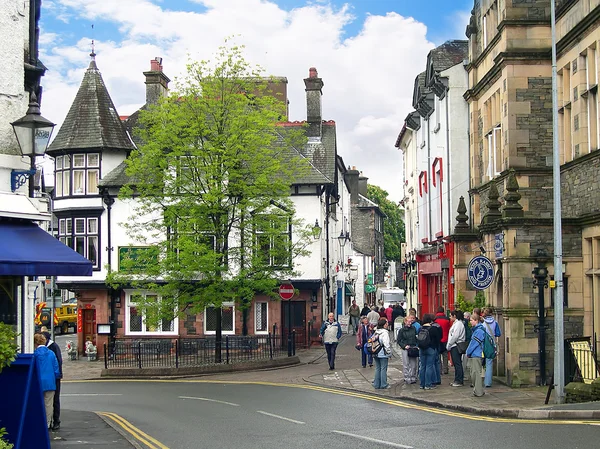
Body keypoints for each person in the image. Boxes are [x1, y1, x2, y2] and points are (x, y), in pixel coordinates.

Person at [33, 333, 60, 430]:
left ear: (35, 343)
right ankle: (47, 424)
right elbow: (56, 369)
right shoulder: (51, 353)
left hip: (38, 382)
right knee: (49, 404)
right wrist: (55, 377)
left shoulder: (34, 355)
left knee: (38, 403)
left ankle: (38, 422)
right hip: (50, 382)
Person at [41, 329, 63, 430]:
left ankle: (56, 420)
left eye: (43, 338)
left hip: (54, 378)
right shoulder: (42, 348)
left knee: (55, 400)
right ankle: (48, 422)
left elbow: (58, 362)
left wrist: (57, 375)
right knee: (49, 401)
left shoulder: (53, 346)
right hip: (49, 378)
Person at [466, 313, 486, 397]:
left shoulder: (479, 331)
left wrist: (468, 352)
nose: (470, 322)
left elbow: (474, 343)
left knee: (476, 374)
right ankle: (477, 390)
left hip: (476, 354)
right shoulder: (477, 330)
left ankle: (478, 392)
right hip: (475, 354)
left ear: (476, 321)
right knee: (474, 373)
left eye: (471, 320)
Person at [482, 307, 501, 387]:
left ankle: (476, 382)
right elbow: (498, 334)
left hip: (483, 344)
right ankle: (488, 382)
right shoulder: (495, 323)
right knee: (489, 362)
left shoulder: (482, 324)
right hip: (491, 344)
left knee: (479, 362)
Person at [446, 310, 466, 387]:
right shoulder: (457, 323)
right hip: (454, 345)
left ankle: (459, 380)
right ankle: (457, 379)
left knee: (457, 363)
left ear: (455, 316)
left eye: (451, 316)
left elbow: (455, 336)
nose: (450, 317)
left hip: (456, 346)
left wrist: (449, 344)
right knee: (457, 363)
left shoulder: (458, 324)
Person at [397, 315, 418, 384]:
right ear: (405, 322)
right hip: (405, 348)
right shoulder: (401, 330)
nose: (410, 323)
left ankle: (413, 377)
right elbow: (399, 340)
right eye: (408, 322)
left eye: (411, 322)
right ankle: (407, 378)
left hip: (413, 347)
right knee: (406, 364)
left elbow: (416, 337)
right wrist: (404, 346)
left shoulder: (413, 328)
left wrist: (417, 345)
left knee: (414, 364)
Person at [372, 318, 392, 389]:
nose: (387, 324)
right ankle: (384, 384)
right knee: (383, 368)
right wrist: (389, 353)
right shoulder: (385, 333)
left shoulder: (376, 331)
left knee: (377, 368)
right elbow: (386, 344)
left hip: (375, 351)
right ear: (384, 325)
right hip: (383, 352)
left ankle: (376, 384)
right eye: (386, 323)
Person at [418, 314, 437, 390]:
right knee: (429, 366)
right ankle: (428, 384)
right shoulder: (433, 329)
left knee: (422, 366)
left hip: (422, 349)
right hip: (431, 348)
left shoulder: (420, 328)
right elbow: (437, 338)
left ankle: (422, 384)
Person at [434, 306, 451, 375]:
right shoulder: (447, 319)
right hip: (446, 339)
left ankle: (439, 369)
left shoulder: (435, 319)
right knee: (445, 355)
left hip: (438, 339)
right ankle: (445, 369)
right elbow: (450, 328)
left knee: (438, 355)